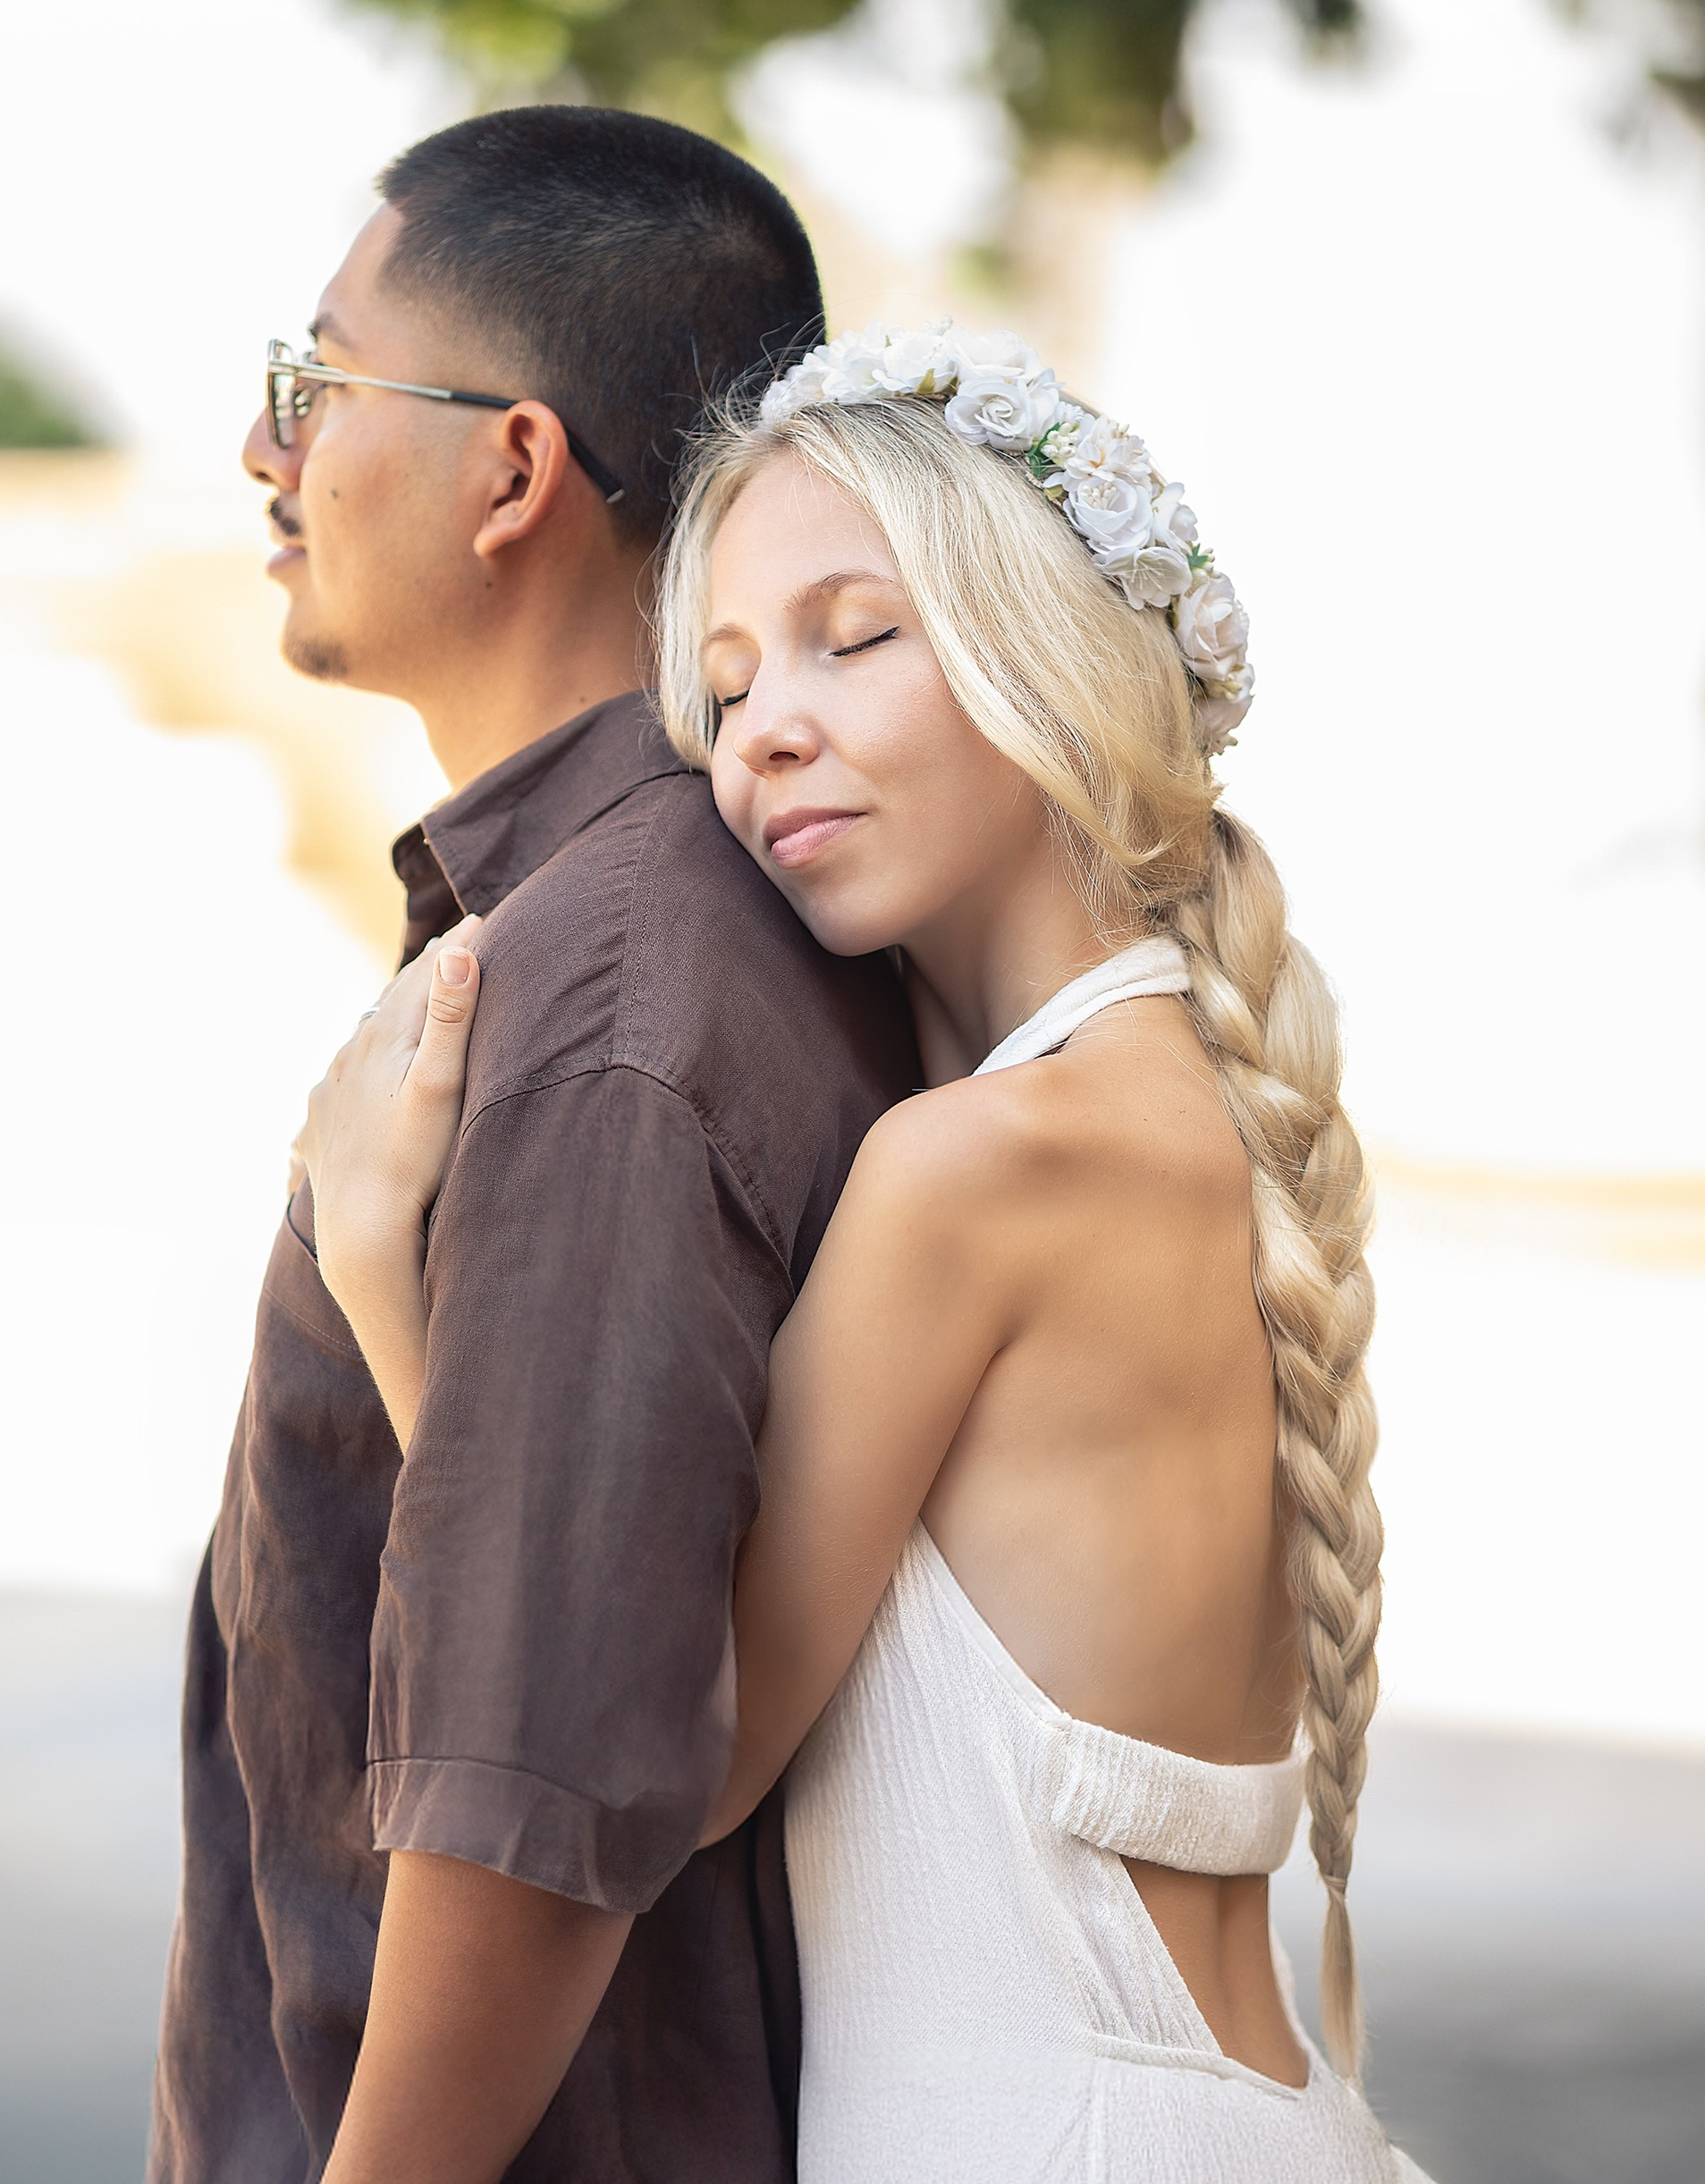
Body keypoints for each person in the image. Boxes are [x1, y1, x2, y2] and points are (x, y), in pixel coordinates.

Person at [299, 323, 1436, 2179]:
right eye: (724, 684)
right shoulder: (1203, 1114)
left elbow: (664, 1730)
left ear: (1045, 654)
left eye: (854, 634)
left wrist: (374, 1267)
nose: (764, 731)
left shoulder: (972, 1169)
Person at [148, 113, 922, 2184]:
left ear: (513, 468)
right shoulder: (617, 918)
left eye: (314, 381)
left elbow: (534, 1791)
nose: (258, 444)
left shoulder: (606, 996)